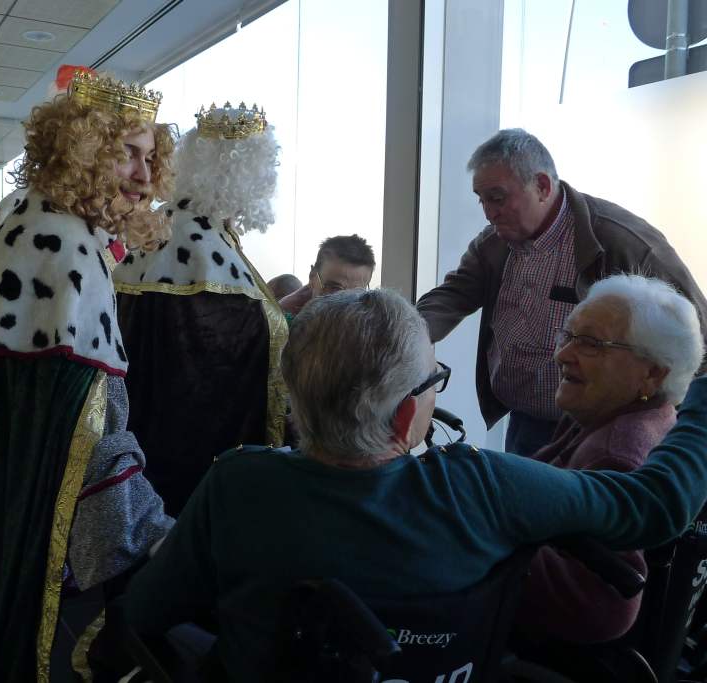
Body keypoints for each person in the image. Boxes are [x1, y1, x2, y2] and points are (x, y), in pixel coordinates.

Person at [123, 287, 707, 683]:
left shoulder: (237, 485)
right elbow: (656, 505)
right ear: (407, 417)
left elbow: (144, 612)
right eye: (434, 380)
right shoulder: (487, 486)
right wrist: (700, 404)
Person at [0, 69, 175, 682]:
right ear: (85, 149)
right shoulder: (61, 247)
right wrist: (153, 532)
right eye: (129, 153)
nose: (144, 176)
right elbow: (87, 429)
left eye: (151, 158)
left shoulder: (37, 223)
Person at [416, 128, 707, 457]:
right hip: (524, 421)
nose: (488, 212)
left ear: (542, 186)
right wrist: (403, 338)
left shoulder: (624, 243)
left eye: (497, 198)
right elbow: (452, 296)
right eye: (481, 199)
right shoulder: (494, 242)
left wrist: (687, 443)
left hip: (601, 430)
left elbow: (696, 336)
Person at [114, 101, 287, 516]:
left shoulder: (165, 228)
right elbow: (215, 385)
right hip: (193, 476)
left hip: (139, 458)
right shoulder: (204, 253)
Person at [514, 274, 704, 645]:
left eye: (590, 344)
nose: (561, 354)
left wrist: (487, 542)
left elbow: (606, 603)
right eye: (567, 335)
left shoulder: (616, 452)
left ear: (652, 374)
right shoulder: (620, 413)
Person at [278, 234, 374, 319]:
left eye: (356, 293)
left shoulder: (369, 319)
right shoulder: (280, 322)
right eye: (336, 289)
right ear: (312, 277)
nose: (345, 304)